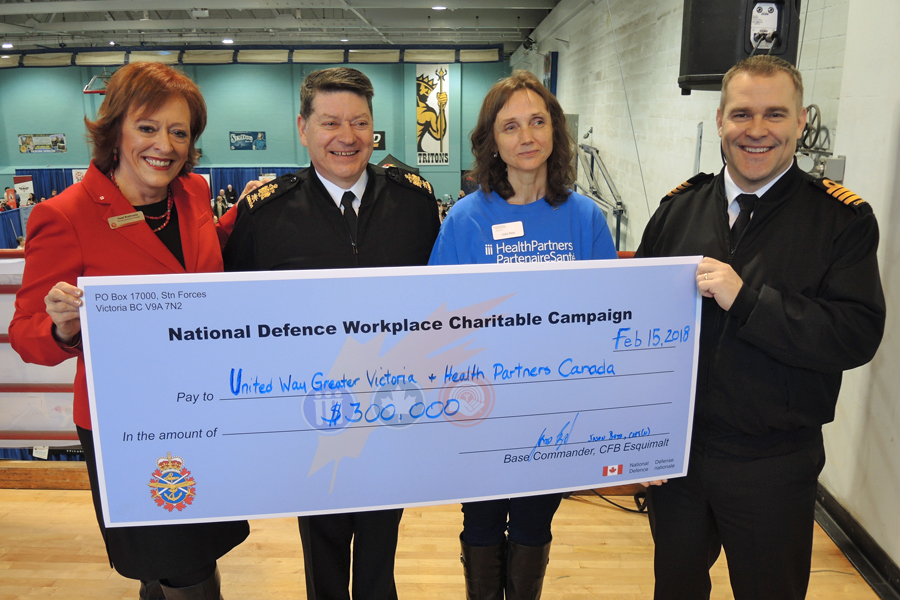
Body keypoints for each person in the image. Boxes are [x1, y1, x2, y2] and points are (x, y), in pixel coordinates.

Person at [634, 55, 885, 600]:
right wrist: (640, 436)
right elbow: (636, 333)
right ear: (721, 119)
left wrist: (747, 301)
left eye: (775, 114)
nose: (756, 130)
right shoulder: (677, 210)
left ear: (800, 123)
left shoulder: (841, 220)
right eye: (742, 114)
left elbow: (855, 333)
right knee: (674, 589)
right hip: (681, 457)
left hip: (774, 461)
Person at [9, 61, 249, 600]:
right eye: (148, 127)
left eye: (179, 132)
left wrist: (255, 208)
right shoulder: (63, 215)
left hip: (201, 409)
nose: (164, 144)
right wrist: (63, 327)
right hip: (128, 428)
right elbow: (26, 334)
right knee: (179, 564)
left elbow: (197, 267)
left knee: (183, 557)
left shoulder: (191, 195)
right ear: (114, 129)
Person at [223, 66, 440, 600]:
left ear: (374, 129)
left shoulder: (414, 201)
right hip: (308, 410)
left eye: (359, 122)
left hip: (394, 404)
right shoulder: (264, 212)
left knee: (381, 538)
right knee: (321, 544)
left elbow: (439, 298)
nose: (346, 136)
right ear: (303, 128)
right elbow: (236, 313)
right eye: (330, 122)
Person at [428, 70, 617, 600]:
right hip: (481, 410)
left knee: (535, 523)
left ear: (555, 131)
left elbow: (609, 314)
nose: (527, 136)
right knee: (482, 522)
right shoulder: (466, 220)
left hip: (551, 410)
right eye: (511, 126)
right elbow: (441, 320)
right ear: (493, 140)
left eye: (538, 122)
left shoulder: (584, 218)